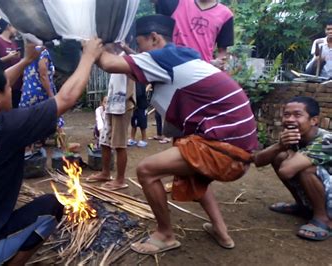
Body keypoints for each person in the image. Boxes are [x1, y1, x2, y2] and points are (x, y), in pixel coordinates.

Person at [0, 39, 103, 265]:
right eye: (7, 89)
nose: (10, 89)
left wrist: (26, 60)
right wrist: (89, 57)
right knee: (52, 206)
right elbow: (66, 98)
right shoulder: (7, 128)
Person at [97, 14, 257, 254]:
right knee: (194, 173)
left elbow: (109, 64)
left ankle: (165, 235)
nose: (139, 53)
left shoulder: (165, 58)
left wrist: (88, 42)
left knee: (146, 170)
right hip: (239, 146)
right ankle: (221, 232)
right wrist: (124, 50)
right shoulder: (182, 55)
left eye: (140, 45)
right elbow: (136, 69)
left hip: (228, 153)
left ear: (154, 38)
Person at [253, 97, 332, 241]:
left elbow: (286, 171)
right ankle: (302, 206)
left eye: (297, 115)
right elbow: (258, 161)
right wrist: (280, 146)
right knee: (279, 157)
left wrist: (286, 151)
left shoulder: (326, 140)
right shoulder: (297, 136)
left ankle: (324, 219)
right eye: (286, 114)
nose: (289, 119)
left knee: (305, 168)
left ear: (314, 120)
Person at [86, 44, 135, 191]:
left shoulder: (126, 58)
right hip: (112, 104)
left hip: (123, 105)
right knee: (105, 141)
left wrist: (125, 47)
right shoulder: (114, 58)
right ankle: (105, 173)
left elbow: (136, 59)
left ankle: (120, 180)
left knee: (119, 144)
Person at [152, 0, 234, 70]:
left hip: (201, 70)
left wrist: (216, 63)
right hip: (171, 66)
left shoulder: (225, 14)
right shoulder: (177, 3)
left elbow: (222, 51)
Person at [0, 19, 23, 106]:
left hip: (17, 83)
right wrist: (9, 57)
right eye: (14, 26)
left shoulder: (13, 42)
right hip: (4, 82)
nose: (16, 29)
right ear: (8, 26)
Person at [128, 83, 149, 148]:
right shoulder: (133, 82)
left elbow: (138, 94)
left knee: (142, 123)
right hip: (135, 106)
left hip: (141, 106)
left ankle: (144, 139)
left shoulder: (139, 82)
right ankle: (132, 138)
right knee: (133, 122)